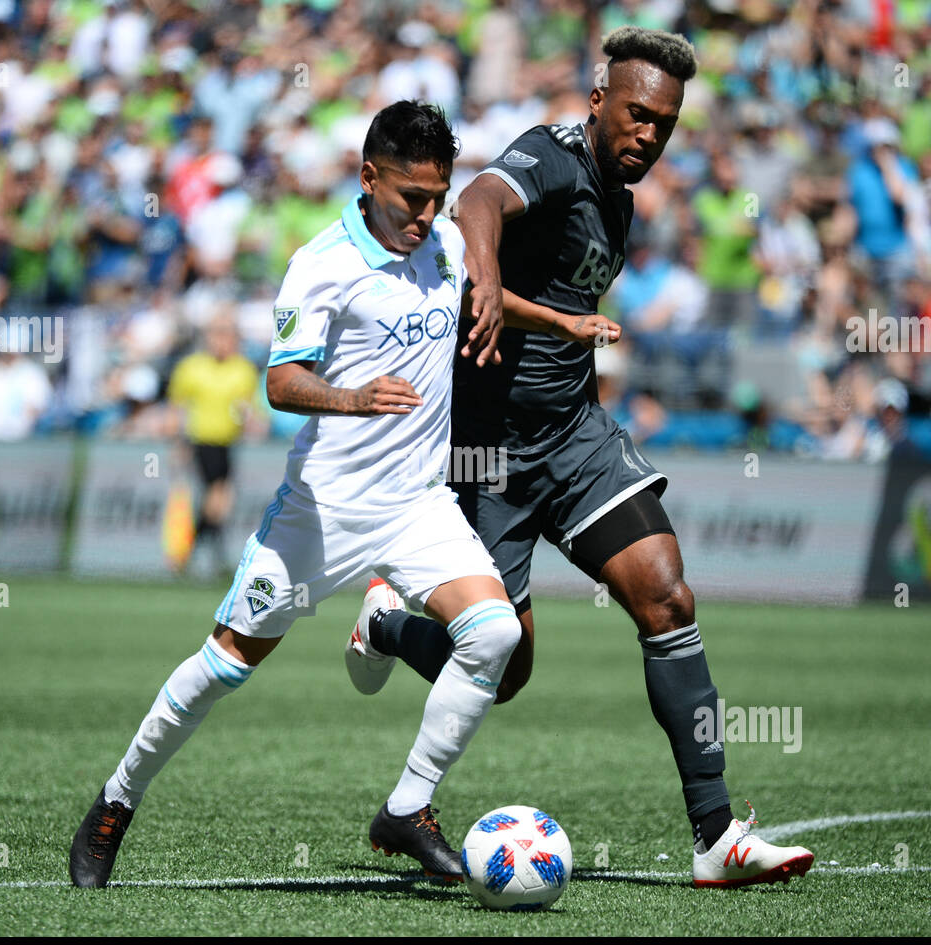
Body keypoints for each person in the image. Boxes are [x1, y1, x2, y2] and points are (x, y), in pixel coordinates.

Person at [346, 29, 814, 887]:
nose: (648, 134)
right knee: (507, 667)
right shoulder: (554, 158)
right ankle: (384, 623)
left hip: (575, 437)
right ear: (600, 102)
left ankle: (716, 835)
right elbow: (479, 200)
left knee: (667, 595)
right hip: (487, 452)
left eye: (664, 124)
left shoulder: (620, 197)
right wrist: (483, 280)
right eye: (636, 114)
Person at [72, 101, 540, 887]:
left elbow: (481, 295)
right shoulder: (321, 263)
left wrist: (555, 320)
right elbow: (281, 380)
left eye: (438, 196)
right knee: (223, 666)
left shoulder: (450, 247)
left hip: (419, 503)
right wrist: (353, 398)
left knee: (496, 635)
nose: (428, 215)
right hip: (322, 512)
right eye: (411, 199)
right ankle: (117, 800)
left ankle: (406, 809)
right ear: (368, 178)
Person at [166, 309, 259, 574]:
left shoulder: (242, 369)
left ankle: (190, 554)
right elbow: (176, 407)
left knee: (219, 503)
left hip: (227, 443)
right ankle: (202, 556)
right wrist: (177, 442)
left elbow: (248, 409)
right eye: (217, 334)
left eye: (227, 334)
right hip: (200, 441)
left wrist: (249, 420)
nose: (222, 341)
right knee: (216, 500)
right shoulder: (192, 367)